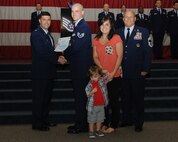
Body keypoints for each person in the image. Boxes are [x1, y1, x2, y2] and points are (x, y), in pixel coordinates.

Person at [59, 3, 93, 134]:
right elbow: (73, 45)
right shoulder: (77, 26)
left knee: (80, 98)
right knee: (79, 97)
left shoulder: (83, 27)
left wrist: (63, 51)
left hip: (81, 69)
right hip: (77, 67)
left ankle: (82, 126)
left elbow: (76, 47)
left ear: (83, 13)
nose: (73, 14)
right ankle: (79, 122)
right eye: (72, 11)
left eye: (77, 11)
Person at [117, 11, 152, 132]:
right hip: (122, 72)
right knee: (125, 98)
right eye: (125, 17)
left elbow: (148, 52)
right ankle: (127, 120)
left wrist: (145, 69)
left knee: (138, 98)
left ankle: (138, 122)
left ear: (135, 18)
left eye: (130, 17)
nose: (128, 19)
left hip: (138, 72)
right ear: (123, 19)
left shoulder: (143, 31)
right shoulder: (118, 32)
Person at [93, 16, 123, 133]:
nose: (104, 27)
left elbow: (119, 56)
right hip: (102, 76)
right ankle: (105, 122)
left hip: (114, 76)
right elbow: (95, 56)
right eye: (102, 24)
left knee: (114, 101)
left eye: (106, 24)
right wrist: (101, 69)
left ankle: (114, 124)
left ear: (111, 26)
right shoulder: (96, 39)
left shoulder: (116, 38)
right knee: (103, 101)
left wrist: (113, 73)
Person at [30, 11, 59, 131]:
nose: (47, 22)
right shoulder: (36, 34)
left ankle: (44, 120)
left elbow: (50, 51)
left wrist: (58, 54)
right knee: (39, 99)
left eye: (49, 20)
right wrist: (57, 59)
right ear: (39, 21)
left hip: (49, 72)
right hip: (40, 73)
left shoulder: (48, 34)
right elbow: (42, 53)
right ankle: (37, 123)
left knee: (46, 98)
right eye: (44, 19)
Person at [85, 65, 109, 139]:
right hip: (92, 107)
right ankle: (91, 131)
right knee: (91, 120)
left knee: (100, 119)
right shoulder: (89, 85)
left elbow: (106, 77)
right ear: (90, 77)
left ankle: (98, 130)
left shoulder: (101, 81)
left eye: (97, 76)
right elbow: (87, 94)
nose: (95, 78)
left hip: (101, 105)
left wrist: (104, 72)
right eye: (93, 76)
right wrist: (92, 92)